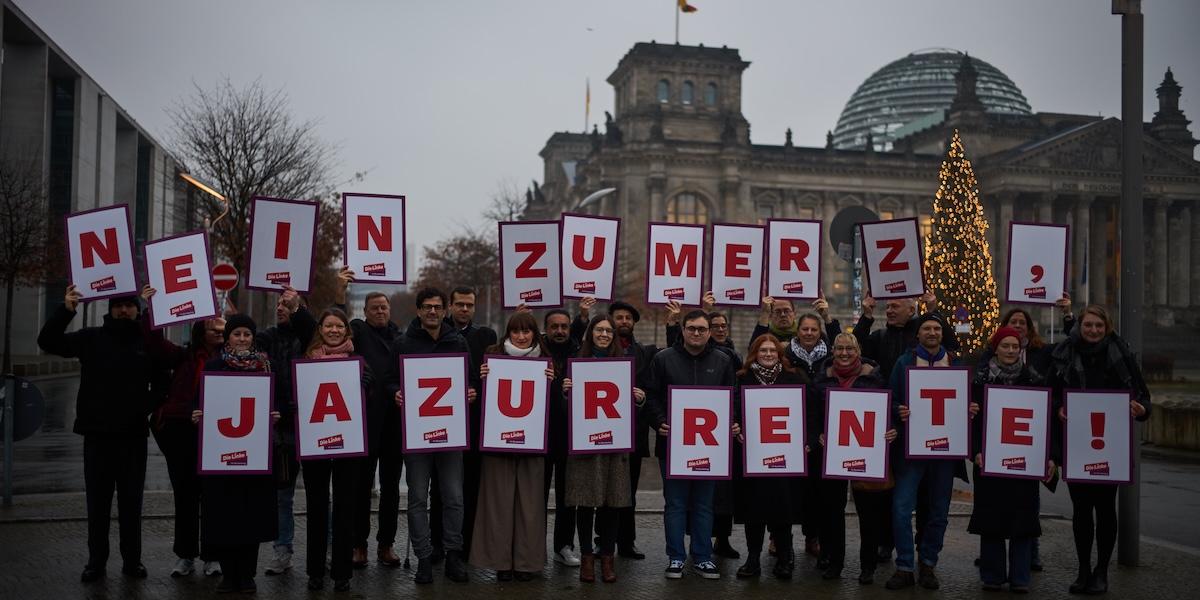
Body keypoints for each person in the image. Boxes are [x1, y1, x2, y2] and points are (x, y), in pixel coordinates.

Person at [37, 287, 165, 583]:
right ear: (110, 308)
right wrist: (66, 310)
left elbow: (162, 385)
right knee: (97, 503)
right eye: (118, 305)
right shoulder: (90, 337)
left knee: (131, 503)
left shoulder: (148, 341)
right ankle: (96, 562)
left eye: (129, 306)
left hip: (132, 436)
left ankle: (133, 561)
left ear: (137, 309)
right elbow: (47, 341)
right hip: (97, 435)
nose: (123, 310)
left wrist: (140, 407)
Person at [1048, 305, 1151, 595]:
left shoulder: (1121, 354)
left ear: (1107, 328)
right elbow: (1051, 394)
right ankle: (1083, 569)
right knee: (1081, 511)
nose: (1093, 330)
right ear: (1079, 326)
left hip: (1110, 446)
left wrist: (1141, 409)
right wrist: (1058, 409)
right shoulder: (1064, 354)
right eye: (1088, 325)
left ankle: (1101, 571)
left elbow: (1144, 396)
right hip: (1077, 442)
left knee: (1106, 510)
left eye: (1099, 326)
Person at [384, 288, 473, 583]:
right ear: (418, 310)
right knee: (417, 499)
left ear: (445, 310)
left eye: (437, 307)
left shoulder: (458, 341)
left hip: (451, 433)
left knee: (454, 498)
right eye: (427, 307)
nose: (432, 312)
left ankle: (452, 556)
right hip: (418, 434)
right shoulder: (403, 343)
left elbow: (471, 380)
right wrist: (395, 393)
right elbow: (389, 380)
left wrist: (473, 391)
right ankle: (423, 557)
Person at [190, 314, 281, 594]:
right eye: (237, 334)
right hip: (222, 455)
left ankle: (248, 574)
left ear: (254, 338)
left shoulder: (266, 367)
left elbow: (283, 403)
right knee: (224, 517)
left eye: (247, 334)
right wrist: (196, 415)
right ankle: (229, 575)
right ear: (227, 338)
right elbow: (198, 403)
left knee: (251, 517)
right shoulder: (214, 367)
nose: (242, 339)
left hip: (256, 455)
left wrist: (277, 415)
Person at [645, 309, 738, 580]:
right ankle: (675, 557)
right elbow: (651, 395)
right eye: (691, 328)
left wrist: (731, 422)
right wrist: (659, 421)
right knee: (674, 503)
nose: (696, 333)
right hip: (673, 445)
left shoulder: (722, 361)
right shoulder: (663, 359)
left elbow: (733, 399)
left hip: (710, 447)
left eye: (701, 329)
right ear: (682, 330)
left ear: (710, 332)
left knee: (704, 504)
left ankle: (702, 557)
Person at [886, 313, 976, 590]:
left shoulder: (957, 364)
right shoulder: (904, 362)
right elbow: (890, 399)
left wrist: (970, 409)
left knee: (938, 512)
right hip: (911, 451)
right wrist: (897, 410)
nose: (933, 332)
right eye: (927, 328)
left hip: (945, 452)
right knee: (901, 509)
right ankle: (903, 565)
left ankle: (928, 563)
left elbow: (967, 400)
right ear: (919, 333)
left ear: (942, 332)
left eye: (937, 328)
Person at [139, 285, 224, 577]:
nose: (217, 327)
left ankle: (213, 557)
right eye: (211, 324)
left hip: (218, 434)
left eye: (221, 323)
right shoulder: (182, 356)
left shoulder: (233, 360)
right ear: (200, 329)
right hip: (181, 433)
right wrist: (151, 309)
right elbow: (154, 342)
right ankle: (185, 556)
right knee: (185, 497)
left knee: (213, 497)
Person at [969, 327, 1059, 594]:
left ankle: (1020, 576)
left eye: (1014, 346)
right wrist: (975, 451)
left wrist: (1051, 456)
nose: (1010, 351)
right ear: (995, 348)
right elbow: (972, 425)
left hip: (1025, 460)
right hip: (989, 460)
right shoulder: (980, 381)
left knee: (1024, 518)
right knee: (991, 517)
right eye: (1005, 346)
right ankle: (993, 575)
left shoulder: (1036, 381)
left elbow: (1049, 423)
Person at [469, 312, 557, 581]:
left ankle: (526, 564)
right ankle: (501, 563)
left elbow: (554, 410)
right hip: (498, 445)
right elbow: (478, 400)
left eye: (526, 331)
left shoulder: (547, 362)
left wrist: (553, 385)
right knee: (498, 505)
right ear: (507, 333)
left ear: (534, 334)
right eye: (515, 331)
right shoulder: (492, 357)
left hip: (533, 446)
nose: (521, 337)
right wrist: (481, 380)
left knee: (530, 507)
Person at [561, 314, 642, 583]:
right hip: (585, 446)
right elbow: (564, 411)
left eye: (608, 330)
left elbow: (629, 408)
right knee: (584, 504)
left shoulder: (623, 366)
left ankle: (607, 559)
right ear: (591, 333)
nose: (605, 334)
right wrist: (565, 393)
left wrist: (637, 398)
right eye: (599, 330)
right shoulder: (577, 363)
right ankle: (587, 559)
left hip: (615, 447)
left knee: (613, 504)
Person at [332, 268, 404, 568]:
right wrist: (340, 292)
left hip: (395, 425)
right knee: (362, 488)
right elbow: (337, 322)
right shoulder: (358, 332)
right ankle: (358, 545)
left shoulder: (401, 337)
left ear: (389, 310)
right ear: (365, 311)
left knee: (390, 488)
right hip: (365, 423)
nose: (379, 312)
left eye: (383, 308)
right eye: (374, 308)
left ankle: (385, 544)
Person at [811, 333, 894, 585]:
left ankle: (867, 566)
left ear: (858, 351)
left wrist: (891, 430)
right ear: (832, 351)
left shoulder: (874, 378)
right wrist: (818, 435)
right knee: (831, 512)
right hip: (832, 454)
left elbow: (886, 411)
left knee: (868, 513)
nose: (844, 353)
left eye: (849, 348)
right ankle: (835, 562)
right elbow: (812, 416)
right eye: (839, 348)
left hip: (865, 451)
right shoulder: (821, 380)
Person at [301, 308, 371, 592]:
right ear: (320, 329)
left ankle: (342, 574)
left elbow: (370, 395)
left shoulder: (358, 362)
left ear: (346, 330)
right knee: (316, 508)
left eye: (339, 326)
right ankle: (315, 572)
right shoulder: (305, 361)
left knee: (345, 510)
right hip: (315, 442)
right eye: (328, 325)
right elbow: (293, 392)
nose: (334, 330)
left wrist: (368, 383)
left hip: (348, 444)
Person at [731, 333, 807, 580]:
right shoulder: (742, 379)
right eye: (763, 350)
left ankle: (785, 556)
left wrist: (805, 439)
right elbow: (733, 410)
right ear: (754, 353)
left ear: (779, 354)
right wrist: (736, 427)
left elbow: (805, 412)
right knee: (754, 507)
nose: (768, 354)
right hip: (752, 454)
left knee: (782, 507)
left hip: (784, 455)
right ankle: (753, 558)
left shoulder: (792, 377)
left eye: (772, 351)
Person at [257, 286, 317, 575]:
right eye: (279, 304)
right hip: (282, 428)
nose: (282, 307)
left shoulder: (310, 339)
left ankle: (327, 547)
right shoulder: (265, 338)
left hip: (314, 424)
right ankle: (283, 550)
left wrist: (297, 310)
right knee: (283, 494)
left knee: (320, 493)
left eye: (289, 304)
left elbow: (313, 330)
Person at [437, 285, 497, 560]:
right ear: (450, 305)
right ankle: (438, 543)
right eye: (460, 304)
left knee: (471, 486)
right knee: (439, 487)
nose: (465, 309)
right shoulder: (437, 332)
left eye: (469, 305)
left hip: (474, 423)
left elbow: (498, 376)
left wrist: (479, 386)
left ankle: (465, 544)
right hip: (442, 421)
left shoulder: (486, 335)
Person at [597, 299, 659, 560]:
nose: (624, 321)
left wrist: (672, 323)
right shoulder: (600, 352)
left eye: (628, 318)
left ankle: (626, 542)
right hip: (602, 431)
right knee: (604, 491)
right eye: (619, 317)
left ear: (633, 323)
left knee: (628, 492)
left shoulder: (646, 352)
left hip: (633, 432)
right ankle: (603, 541)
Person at [540, 309, 585, 567]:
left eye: (564, 326)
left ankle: (564, 546)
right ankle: (533, 545)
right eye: (554, 326)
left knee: (569, 497)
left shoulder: (580, 354)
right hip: (542, 435)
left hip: (570, 435)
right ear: (546, 328)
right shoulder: (536, 352)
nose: (560, 331)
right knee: (538, 496)